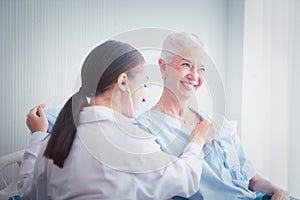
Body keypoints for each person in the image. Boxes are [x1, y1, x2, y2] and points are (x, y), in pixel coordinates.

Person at [18, 40, 212, 199]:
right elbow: (187, 179)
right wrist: (197, 141)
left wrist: (37, 136)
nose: (144, 97)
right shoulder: (133, 143)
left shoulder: (53, 141)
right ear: (123, 82)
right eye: (144, 84)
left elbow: (27, 193)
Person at [136, 32, 292, 200]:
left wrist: (276, 190)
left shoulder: (220, 123)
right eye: (186, 65)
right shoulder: (145, 130)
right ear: (163, 66)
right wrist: (197, 141)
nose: (195, 76)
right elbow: (160, 192)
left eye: (201, 69)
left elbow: (250, 179)